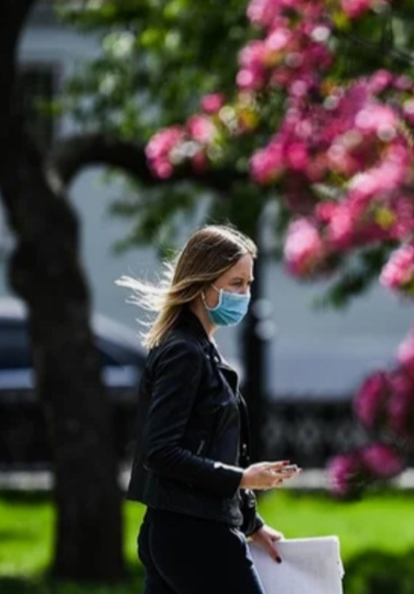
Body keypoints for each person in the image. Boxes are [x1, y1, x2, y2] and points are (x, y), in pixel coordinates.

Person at [120, 224, 299, 594]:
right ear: (203, 285)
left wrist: (251, 523)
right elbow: (161, 452)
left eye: (248, 284)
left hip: (179, 530)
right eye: (235, 283)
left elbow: (209, 445)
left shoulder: (200, 349)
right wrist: (242, 478)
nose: (245, 294)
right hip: (195, 535)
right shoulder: (184, 352)